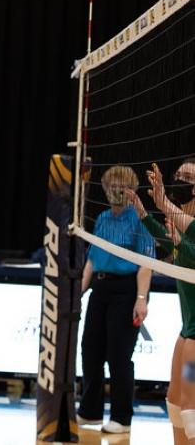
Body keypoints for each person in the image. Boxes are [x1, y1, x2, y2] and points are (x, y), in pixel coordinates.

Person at [76, 165, 155, 434]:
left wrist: (141, 299)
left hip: (127, 290)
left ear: (132, 190)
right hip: (100, 289)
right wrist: (80, 293)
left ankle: (122, 417)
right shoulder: (102, 219)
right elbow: (91, 260)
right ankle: (90, 412)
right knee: (90, 351)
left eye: (123, 186)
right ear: (106, 189)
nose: (117, 190)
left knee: (119, 356)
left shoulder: (139, 220)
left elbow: (146, 263)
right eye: (113, 186)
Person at [127, 160, 195, 444]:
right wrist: (144, 212)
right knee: (175, 402)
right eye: (179, 174)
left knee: (191, 408)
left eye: (188, 177)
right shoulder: (184, 227)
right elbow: (174, 246)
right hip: (187, 331)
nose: (181, 179)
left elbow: (189, 245)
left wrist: (162, 199)